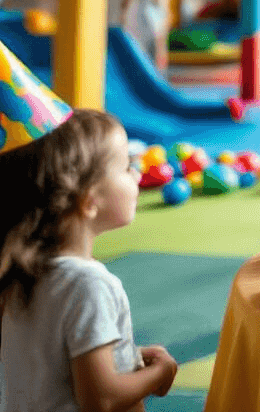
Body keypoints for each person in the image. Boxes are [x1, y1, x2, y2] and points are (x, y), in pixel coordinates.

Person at [0, 109, 178, 408]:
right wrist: (160, 374)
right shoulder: (87, 285)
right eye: (125, 167)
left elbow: (49, 364)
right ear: (90, 201)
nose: (136, 174)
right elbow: (102, 399)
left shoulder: (20, 271)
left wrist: (124, 357)